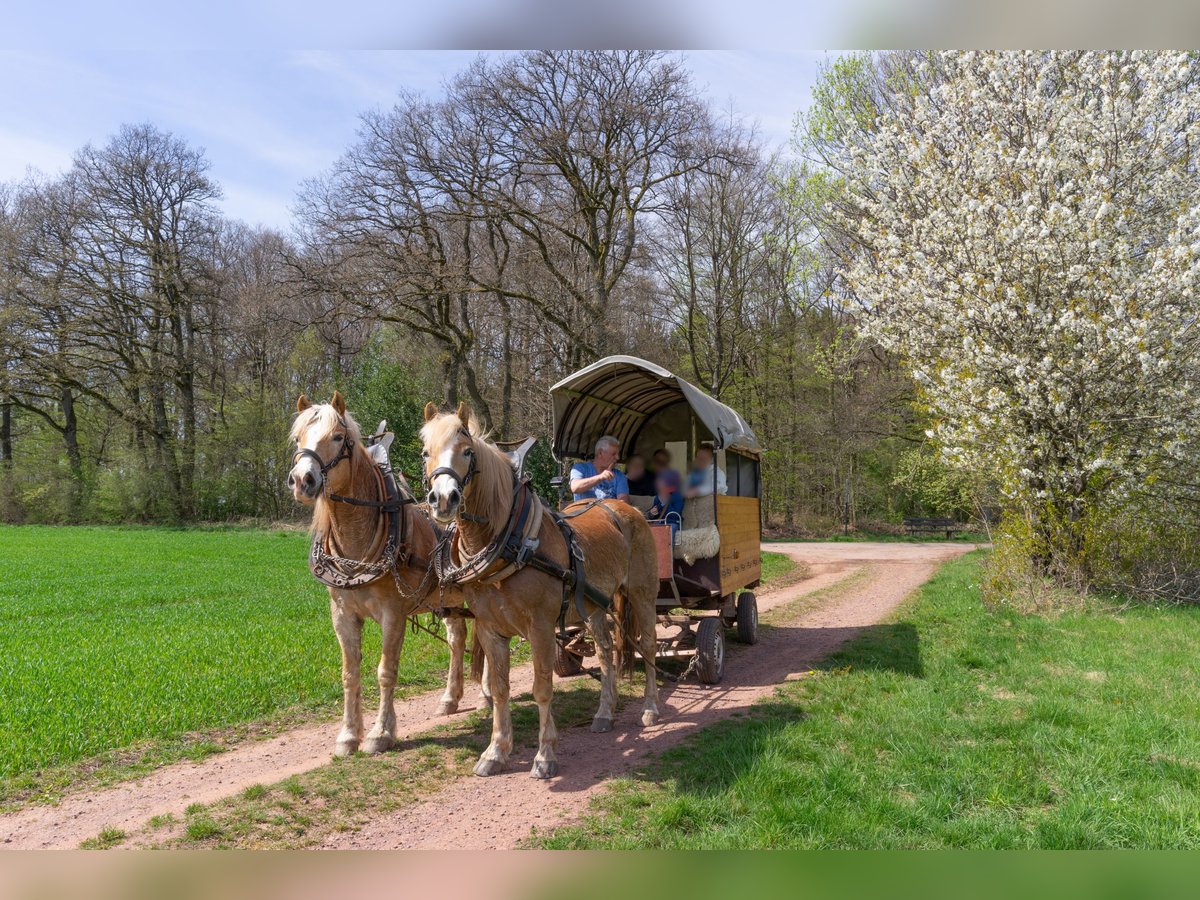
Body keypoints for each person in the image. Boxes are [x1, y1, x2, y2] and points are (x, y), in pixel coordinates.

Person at [569, 435, 630, 502]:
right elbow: (575, 487)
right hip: (583, 511)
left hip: (609, 511)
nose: (617, 458)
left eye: (618, 454)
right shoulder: (580, 468)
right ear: (600, 453)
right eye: (613, 454)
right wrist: (600, 477)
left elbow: (623, 500)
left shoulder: (619, 476)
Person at [646, 468, 684, 535]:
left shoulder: (678, 496)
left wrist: (664, 502)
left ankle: (668, 545)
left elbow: (674, 515)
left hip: (673, 523)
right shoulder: (658, 496)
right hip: (659, 522)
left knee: (668, 533)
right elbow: (653, 515)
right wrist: (652, 513)